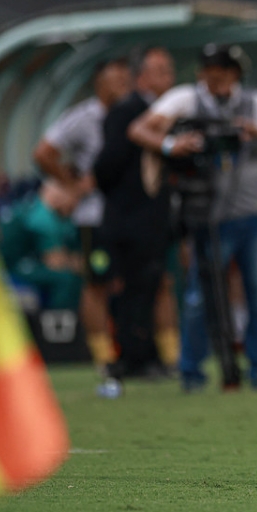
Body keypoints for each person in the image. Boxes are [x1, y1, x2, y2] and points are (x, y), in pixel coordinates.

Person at [128, 43, 257, 391]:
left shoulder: (254, 101)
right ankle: (192, 372)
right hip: (207, 213)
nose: (214, 79)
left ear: (235, 74)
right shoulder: (186, 98)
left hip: (254, 212)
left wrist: (254, 131)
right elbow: (140, 130)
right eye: (209, 72)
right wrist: (174, 145)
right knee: (199, 297)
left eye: (222, 72)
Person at [33, 58, 132, 378]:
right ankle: (103, 359)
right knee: (97, 285)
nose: (122, 85)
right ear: (99, 83)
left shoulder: (133, 115)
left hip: (130, 214)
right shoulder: (83, 118)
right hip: (95, 217)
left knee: (138, 283)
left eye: (125, 79)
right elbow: (43, 153)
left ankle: (138, 353)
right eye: (116, 78)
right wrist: (71, 184)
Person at [93, 47, 180, 379]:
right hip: (129, 218)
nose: (167, 78)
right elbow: (106, 166)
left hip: (153, 218)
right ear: (141, 76)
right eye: (159, 70)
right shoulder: (128, 110)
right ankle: (133, 358)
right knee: (132, 287)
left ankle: (149, 355)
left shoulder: (163, 113)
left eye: (169, 71)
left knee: (151, 285)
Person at [0, 179, 82, 311]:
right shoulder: (42, 215)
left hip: (20, 263)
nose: (76, 203)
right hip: (11, 267)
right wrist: (73, 261)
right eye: (75, 197)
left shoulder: (36, 205)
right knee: (67, 280)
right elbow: (55, 262)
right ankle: (59, 327)